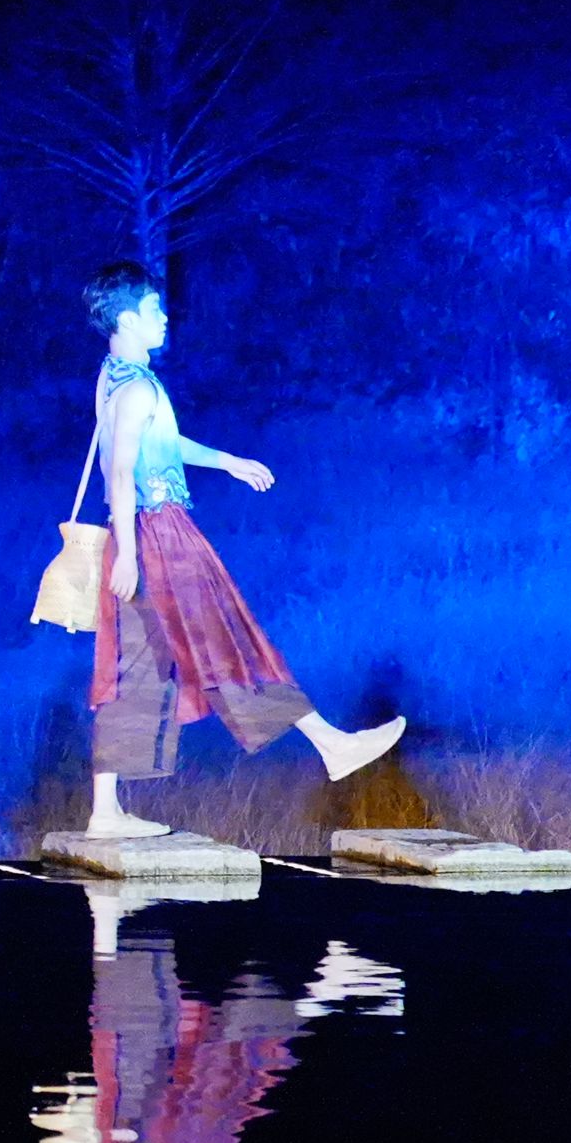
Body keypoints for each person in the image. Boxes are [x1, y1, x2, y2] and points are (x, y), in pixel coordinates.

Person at [74, 262, 403, 839]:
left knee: (137, 666)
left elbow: (159, 443)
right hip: (160, 535)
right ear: (126, 318)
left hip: (143, 534)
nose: (164, 317)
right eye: (153, 309)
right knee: (226, 635)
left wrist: (226, 462)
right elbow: (120, 471)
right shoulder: (137, 387)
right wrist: (127, 553)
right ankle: (331, 744)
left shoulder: (116, 377)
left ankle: (104, 811)